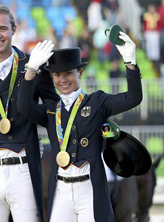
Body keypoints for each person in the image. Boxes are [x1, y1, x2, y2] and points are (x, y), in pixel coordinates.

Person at [18, 31, 142, 221]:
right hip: (60, 189)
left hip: (89, 188)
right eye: (57, 75)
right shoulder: (51, 110)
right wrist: (30, 71)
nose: (63, 79)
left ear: (80, 73)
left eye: (68, 73)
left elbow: (132, 98)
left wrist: (130, 62)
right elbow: (24, 107)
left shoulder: (97, 102)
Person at [0, 4, 59, 222]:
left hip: (23, 165)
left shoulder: (33, 63)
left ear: (14, 29)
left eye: (2, 28)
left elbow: (52, 110)